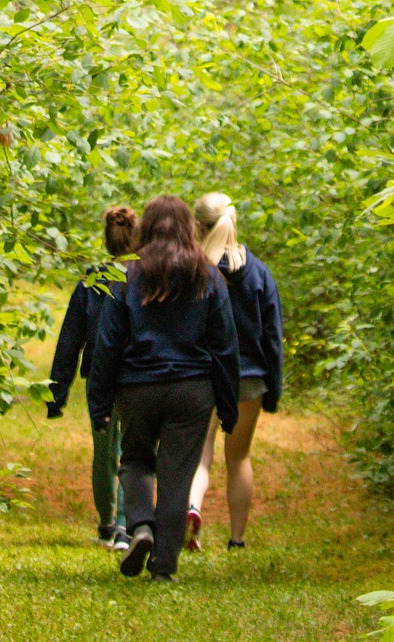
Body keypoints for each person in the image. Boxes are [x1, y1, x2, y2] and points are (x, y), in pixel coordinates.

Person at [86, 194, 240, 582]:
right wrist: (228, 405)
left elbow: (107, 343)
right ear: (190, 228)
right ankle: (164, 569)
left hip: (137, 387)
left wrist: (99, 403)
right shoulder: (208, 276)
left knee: (136, 459)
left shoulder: (127, 276)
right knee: (176, 476)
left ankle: (139, 526)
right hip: (192, 390)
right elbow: (224, 346)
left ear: (146, 228)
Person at [185, 192, 283, 552]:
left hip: (204, 375)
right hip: (249, 378)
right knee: (238, 456)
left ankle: (192, 508)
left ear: (197, 226)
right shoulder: (258, 273)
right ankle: (237, 538)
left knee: (201, 453)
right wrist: (273, 387)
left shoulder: (194, 273)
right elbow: (272, 335)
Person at [47, 204, 139, 550]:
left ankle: (107, 522)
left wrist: (57, 394)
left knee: (105, 451)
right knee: (133, 449)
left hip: (100, 376)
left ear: (107, 240)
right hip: (135, 375)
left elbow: (70, 340)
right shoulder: (144, 279)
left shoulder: (92, 281)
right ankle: (125, 525)